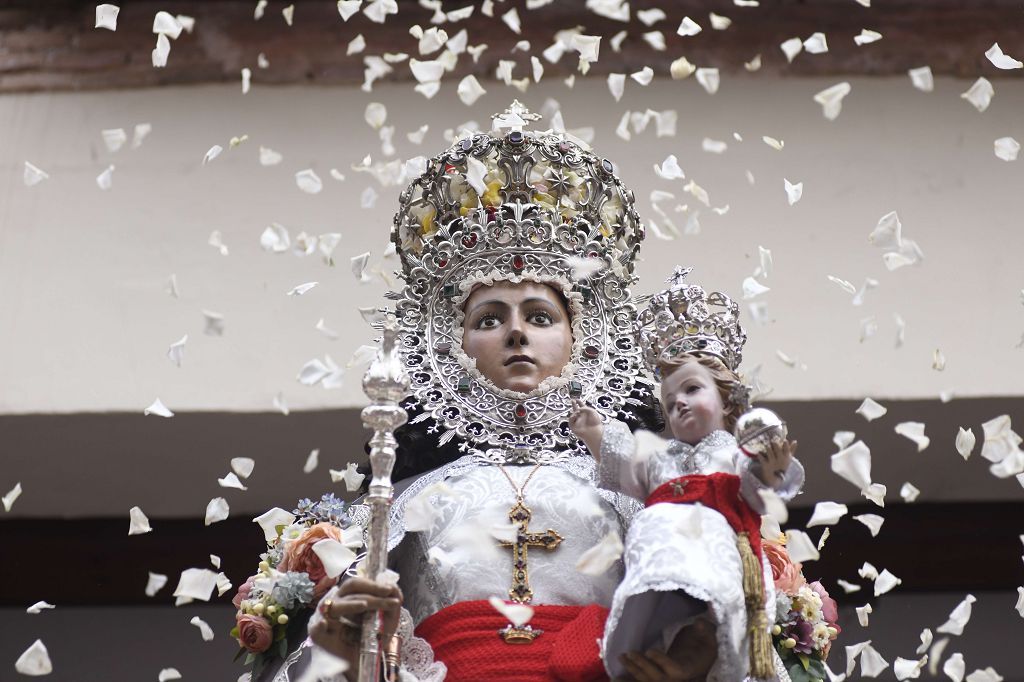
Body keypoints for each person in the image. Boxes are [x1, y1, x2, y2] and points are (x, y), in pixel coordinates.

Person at [250, 103, 699, 682]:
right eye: (489, 318)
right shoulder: (406, 502)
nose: (515, 331)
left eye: (539, 315)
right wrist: (340, 647)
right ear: (449, 345)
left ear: (583, 339)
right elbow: (345, 660)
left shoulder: (635, 499)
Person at [569, 268, 805, 681]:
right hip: (662, 555)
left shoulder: (733, 453)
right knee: (656, 618)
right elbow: (627, 466)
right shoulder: (662, 457)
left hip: (717, 545)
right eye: (669, 398)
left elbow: (760, 485)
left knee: (724, 620)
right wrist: (595, 434)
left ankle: (714, 640)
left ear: (727, 397)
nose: (678, 403)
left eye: (692, 389)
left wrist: (771, 469)